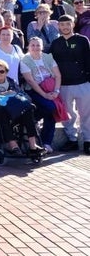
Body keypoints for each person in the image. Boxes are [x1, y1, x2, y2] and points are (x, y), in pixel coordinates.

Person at [0, 60, 43, 155]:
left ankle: (33, 145)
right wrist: (0, 94)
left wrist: (15, 94)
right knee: (2, 113)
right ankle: (13, 146)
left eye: (1, 71)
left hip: (14, 110)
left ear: (6, 72)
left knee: (28, 111)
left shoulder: (11, 81)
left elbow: (26, 96)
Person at [49, 15, 90, 153]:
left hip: (83, 83)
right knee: (67, 114)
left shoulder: (82, 40)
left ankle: (87, 141)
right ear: (58, 26)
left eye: (68, 24)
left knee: (86, 114)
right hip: (64, 85)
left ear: (73, 24)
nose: (65, 27)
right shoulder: (55, 43)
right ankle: (72, 139)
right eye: (62, 25)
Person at [20, 37, 61, 153]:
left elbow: (58, 75)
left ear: (42, 47)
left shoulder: (48, 57)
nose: (35, 47)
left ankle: (46, 142)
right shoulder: (25, 60)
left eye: (38, 45)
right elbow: (30, 81)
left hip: (51, 88)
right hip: (34, 90)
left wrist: (56, 91)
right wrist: (45, 95)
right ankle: (35, 119)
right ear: (28, 46)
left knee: (52, 113)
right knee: (51, 107)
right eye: (33, 45)